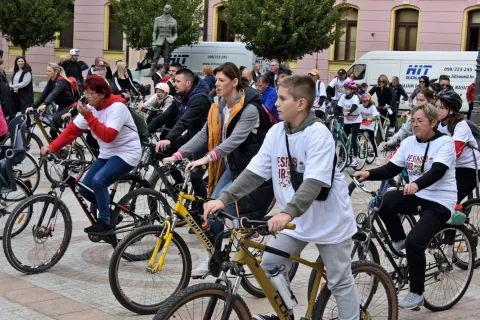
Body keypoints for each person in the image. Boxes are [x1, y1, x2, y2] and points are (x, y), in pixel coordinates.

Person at [203, 75, 359, 320]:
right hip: (295, 221)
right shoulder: (277, 132)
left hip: (329, 221)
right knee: (270, 265)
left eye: (283, 98)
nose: (276, 102)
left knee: (339, 281)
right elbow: (255, 172)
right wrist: (223, 198)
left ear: (301, 104)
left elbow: (313, 182)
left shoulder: (319, 134)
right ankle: (287, 315)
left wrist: (286, 213)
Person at [164, 62, 273, 276]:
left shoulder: (249, 109)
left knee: (223, 209)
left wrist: (207, 158)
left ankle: (251, 235)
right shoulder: (218, 105)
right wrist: (178, 154)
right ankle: (216, 257)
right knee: (213, 209)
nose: (217, 84)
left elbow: (234, 140)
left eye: (222, 80)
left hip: (251, 168)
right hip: (232, 166)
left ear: (234, 82)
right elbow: (205, 135)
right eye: (216, 80)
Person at [355, 103, 456, 310]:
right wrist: (369, 173)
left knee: (415, 242)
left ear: (433, 122)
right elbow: (392, 167)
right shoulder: (410, 142)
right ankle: (398, 239)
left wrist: (417, 184)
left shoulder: (445, 143)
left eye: (420, 121)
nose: (415, 125)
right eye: (413, 121)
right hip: (417, 193)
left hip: (440, 201)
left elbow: (437, 171)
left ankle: (416, 292)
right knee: (385, 201)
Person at [40, 75, 141, 233]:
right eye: (85, 93)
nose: (86, 97)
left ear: (102, 94)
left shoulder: (117, 107)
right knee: (84, 188)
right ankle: (109, 212)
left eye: (90, 93)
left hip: (127, 153)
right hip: (107, 153)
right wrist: (52, 147)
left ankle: (105, 221)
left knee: (98, 181)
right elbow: (73, 130)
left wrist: (89, 117)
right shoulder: (92, 108)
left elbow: (108, 136)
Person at [155, 68, 212, 218]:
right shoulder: (181, 97)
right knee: (162, 151)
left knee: (195, 176)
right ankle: (180, 183)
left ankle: (200, 212)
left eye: (178, 81)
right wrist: (143, 132)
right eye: (174, 81)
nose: (174, 84)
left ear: (188, 83)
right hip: (192, 136)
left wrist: (169, 137)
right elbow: (165, 116)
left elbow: (184, 121)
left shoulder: (199, 99)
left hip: (205, 141)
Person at [436, 89, 480, 203]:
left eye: (441, 108)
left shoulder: (461, 126)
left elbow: (455, 152)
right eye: (436, 106)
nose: (437, 110)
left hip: (469, 168)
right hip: (454, 167)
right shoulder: (437, 123)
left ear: (451, 110)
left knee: (450, 200)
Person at [26, 63, 77, 139]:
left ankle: (65, 140)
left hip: (71, 107)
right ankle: (57, 148)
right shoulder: (51, 81)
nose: (47, 73)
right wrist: (33, 106)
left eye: (49, 71)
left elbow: (54, 93)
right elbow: (43, 95)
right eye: (46, 71)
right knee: (52, 130)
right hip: (61, 107)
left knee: (55, 119)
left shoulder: (61, 81)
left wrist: (45, 104)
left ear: (56, 72)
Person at [339, 80, 362, 167]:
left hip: (356, 119)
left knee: (353, 139)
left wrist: (349, 112)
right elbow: (338, 107)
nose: (346, 90)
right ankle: (341, 157)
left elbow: (354, 106)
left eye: (348, 89)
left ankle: (356, 159)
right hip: (347, 120)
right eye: (345, 88)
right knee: (343, 139)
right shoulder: (343, 97)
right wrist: (334, 113)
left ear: (352, 90)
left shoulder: (355, 97)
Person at [359, 93, 380, 165]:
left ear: (369, 101)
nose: (364, 103)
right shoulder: (360, 106)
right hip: (362, 124)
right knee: (358, 137)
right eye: (363, 101)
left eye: (365, 101)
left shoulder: (372, 107)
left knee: (372, 140)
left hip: (370, 125)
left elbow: (376, 117)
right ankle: (361, 152)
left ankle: (377, 157)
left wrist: (371, 119)